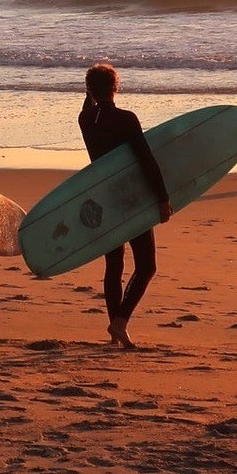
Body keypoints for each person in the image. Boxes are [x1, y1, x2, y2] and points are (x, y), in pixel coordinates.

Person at [79, 63, 171, 349]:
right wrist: (162, 197)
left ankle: (114, 332)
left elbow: (87, 107)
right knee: (146, 266)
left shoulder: (84, 119)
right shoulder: (126, 119)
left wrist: (89, 94)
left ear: (90, 89)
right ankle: (120, 322)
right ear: (116, 87)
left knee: (114, 265)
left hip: (103, 199)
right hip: (131, 199)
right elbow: (146, 159)